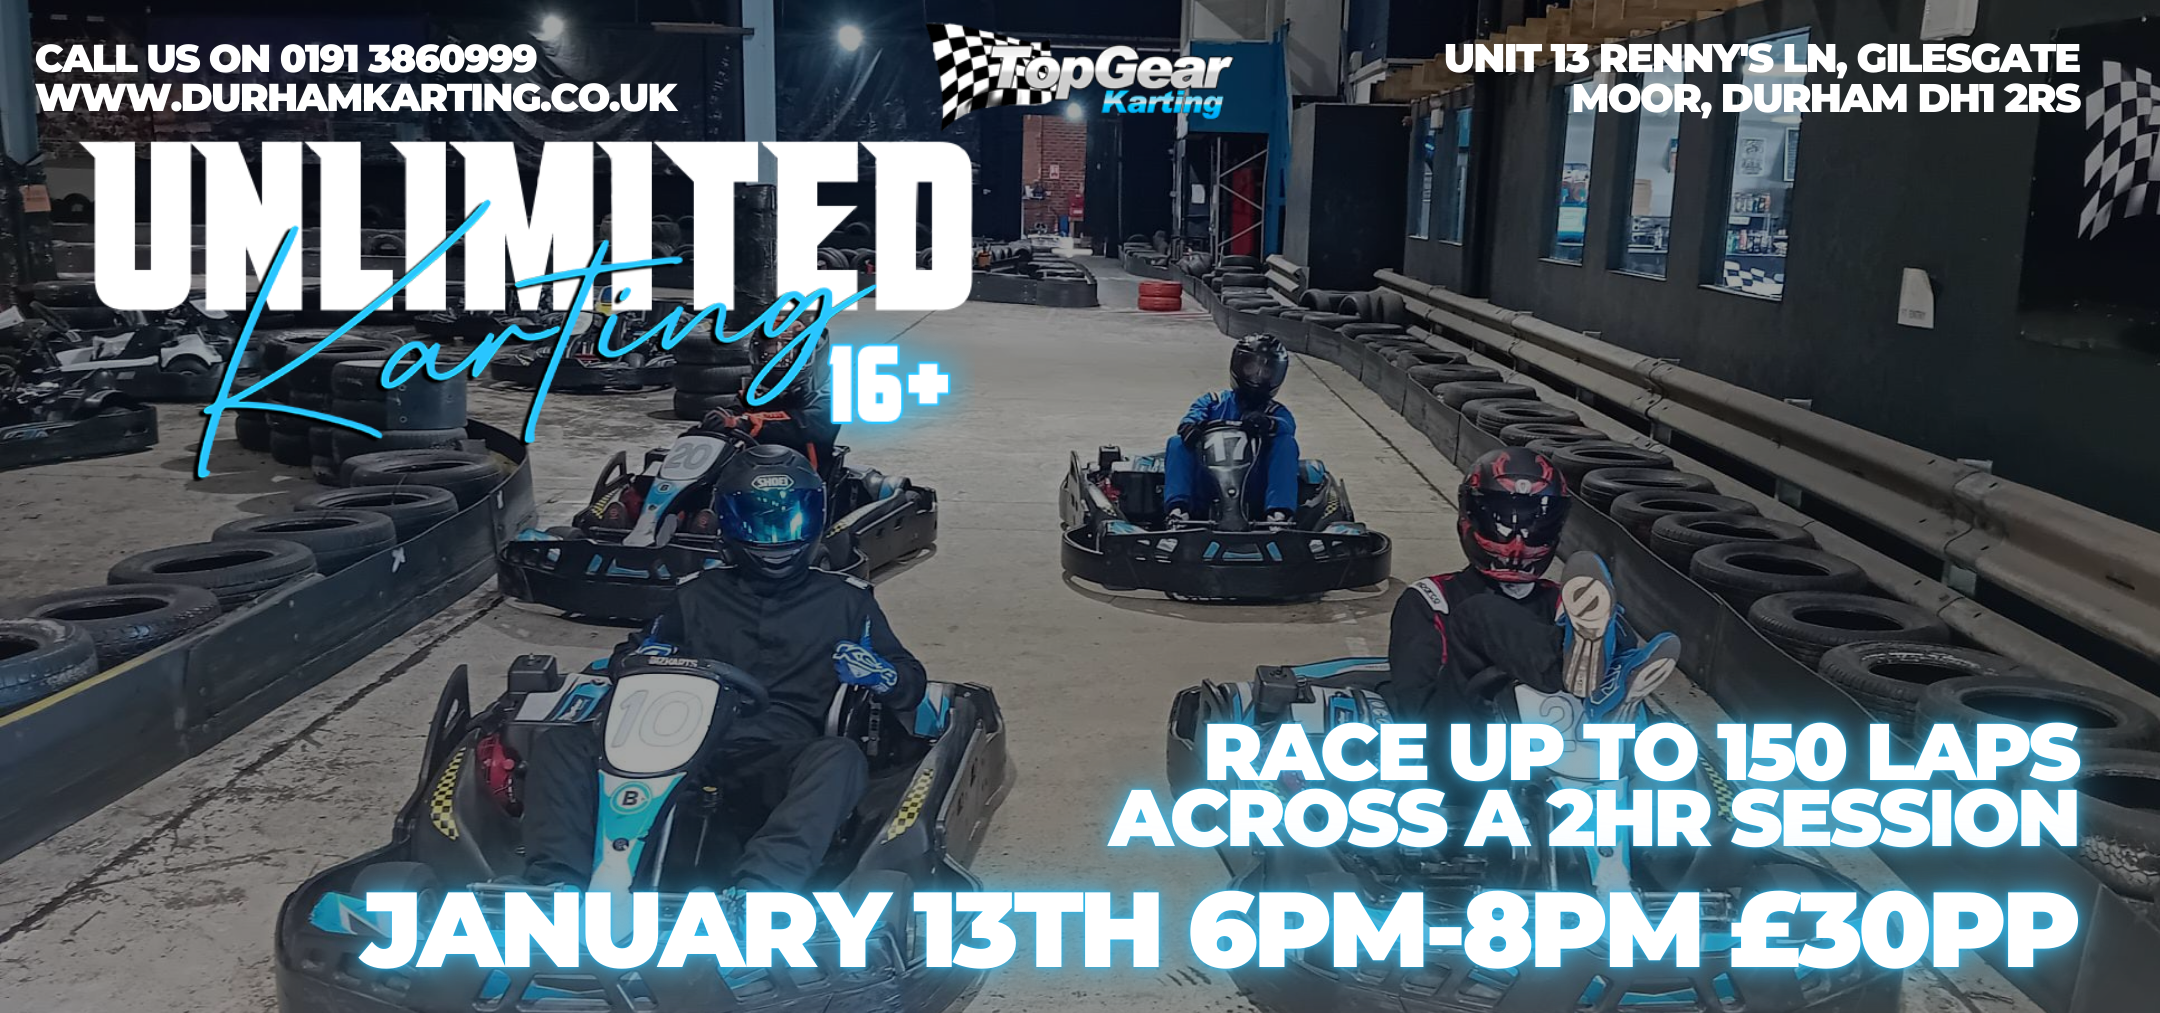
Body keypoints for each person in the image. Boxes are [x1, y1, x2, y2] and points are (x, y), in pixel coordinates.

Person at [521, 444, 925, 895]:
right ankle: (556, 884)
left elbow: (910, 682)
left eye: (787, 522)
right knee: (562, 743)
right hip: (675, 746)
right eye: (759, 523)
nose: (775, 539)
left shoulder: (847, 601)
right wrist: (643, 658)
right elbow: (628, 659)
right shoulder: (696, 594)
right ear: (729, 524)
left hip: (776, 755)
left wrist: (880, 675)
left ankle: (762, 890)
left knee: (840, 759)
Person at [1382, 446, 1679, 727]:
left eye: (1534, 525)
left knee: (1612, 623)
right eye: (1504, 523)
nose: (1519, 541)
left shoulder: (1563, 602)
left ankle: (1610, 691)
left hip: (1552, 743)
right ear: (1468, 521)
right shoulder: (1432, 599)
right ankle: (1571, 672)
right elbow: (1414, 707)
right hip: (1455, 738)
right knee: (1478, 612)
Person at [1163, 334, 1300, 525]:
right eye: (1251, 368)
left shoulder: (1274, 412)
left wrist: (1267, 424)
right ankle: (1178, 511)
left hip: (1254, 487)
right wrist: (1191, 428)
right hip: (1208, 482)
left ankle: (1278, 514)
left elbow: (1287, 426)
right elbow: (1192, 417)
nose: (1257, 377)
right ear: (1238, 367)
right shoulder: (1213, 402)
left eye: (1266, 372)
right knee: (1177, 443)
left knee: (1286, 443)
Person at [698, 312, 839, 472]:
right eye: (771, 352)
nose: (779, 359)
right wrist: (717, 420)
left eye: (788, 353)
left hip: (806, 478)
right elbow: (733, 414)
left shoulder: (825, 399)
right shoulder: (751, 396)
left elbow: (802, 425)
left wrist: (747, 423)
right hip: (752, 475)